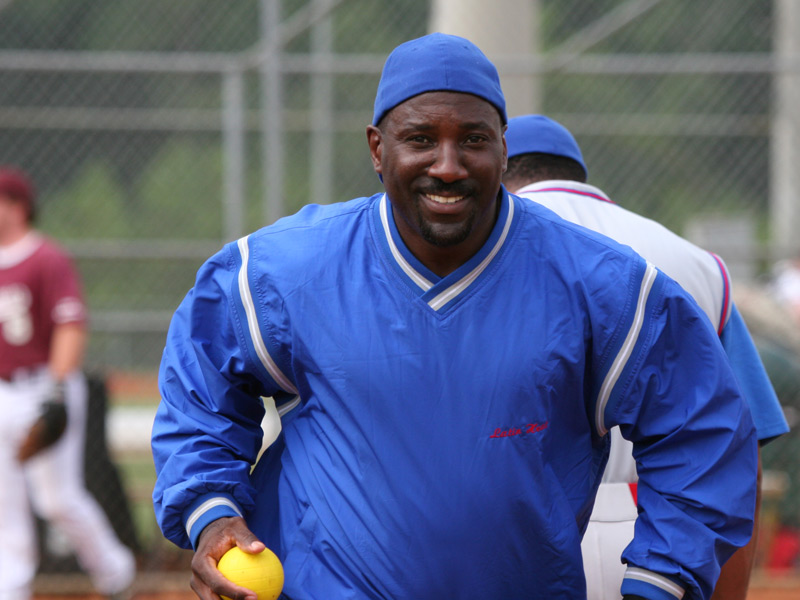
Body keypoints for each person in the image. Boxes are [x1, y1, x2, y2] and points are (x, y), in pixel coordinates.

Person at [152, 33, 758, 600]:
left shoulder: (600, 284)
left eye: (472, 139)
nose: (448, 165)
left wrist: (660, 580)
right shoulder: (283, 272)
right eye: (420, 139)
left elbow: (702, 431)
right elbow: (198, 392)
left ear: (503, 146)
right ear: (377, 149)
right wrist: (213, 513)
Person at [502, 114, 790, 600]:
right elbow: (742, 452)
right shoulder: (700, 263)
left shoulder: (485, 255)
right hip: (663, 536)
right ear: (578, 176)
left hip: (524, 534)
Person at [0, 167, 136, 600]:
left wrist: (57, 389)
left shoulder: (46, 257)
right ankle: (10, 589)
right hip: (2, 391)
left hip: (43, 385)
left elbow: (70, 324)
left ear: (17, 206)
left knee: (57, 500)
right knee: (4, 503)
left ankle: (116, 574)